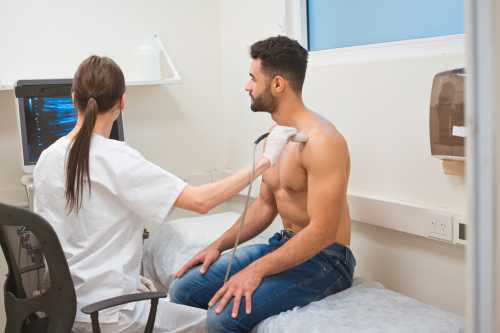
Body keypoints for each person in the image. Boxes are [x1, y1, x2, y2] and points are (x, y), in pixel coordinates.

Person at [33, 55, 297, 333]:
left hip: (66, 311)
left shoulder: (47, 157)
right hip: (112, 315)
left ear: (74, 98)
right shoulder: (118, 158)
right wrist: (266, 159)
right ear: (122, 103)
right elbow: (201, 201)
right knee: (215, 325)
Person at [169, 35, 356, 333]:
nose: (247, 86)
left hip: (327, 259)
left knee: (223, 318)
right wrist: (217, 246)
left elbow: (322, 232)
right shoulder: (276, 137)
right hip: (284, 243)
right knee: (184, 289)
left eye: (252, 78)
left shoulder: (324, 142)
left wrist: (255, 270)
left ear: (278, 84)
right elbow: (265, 205)